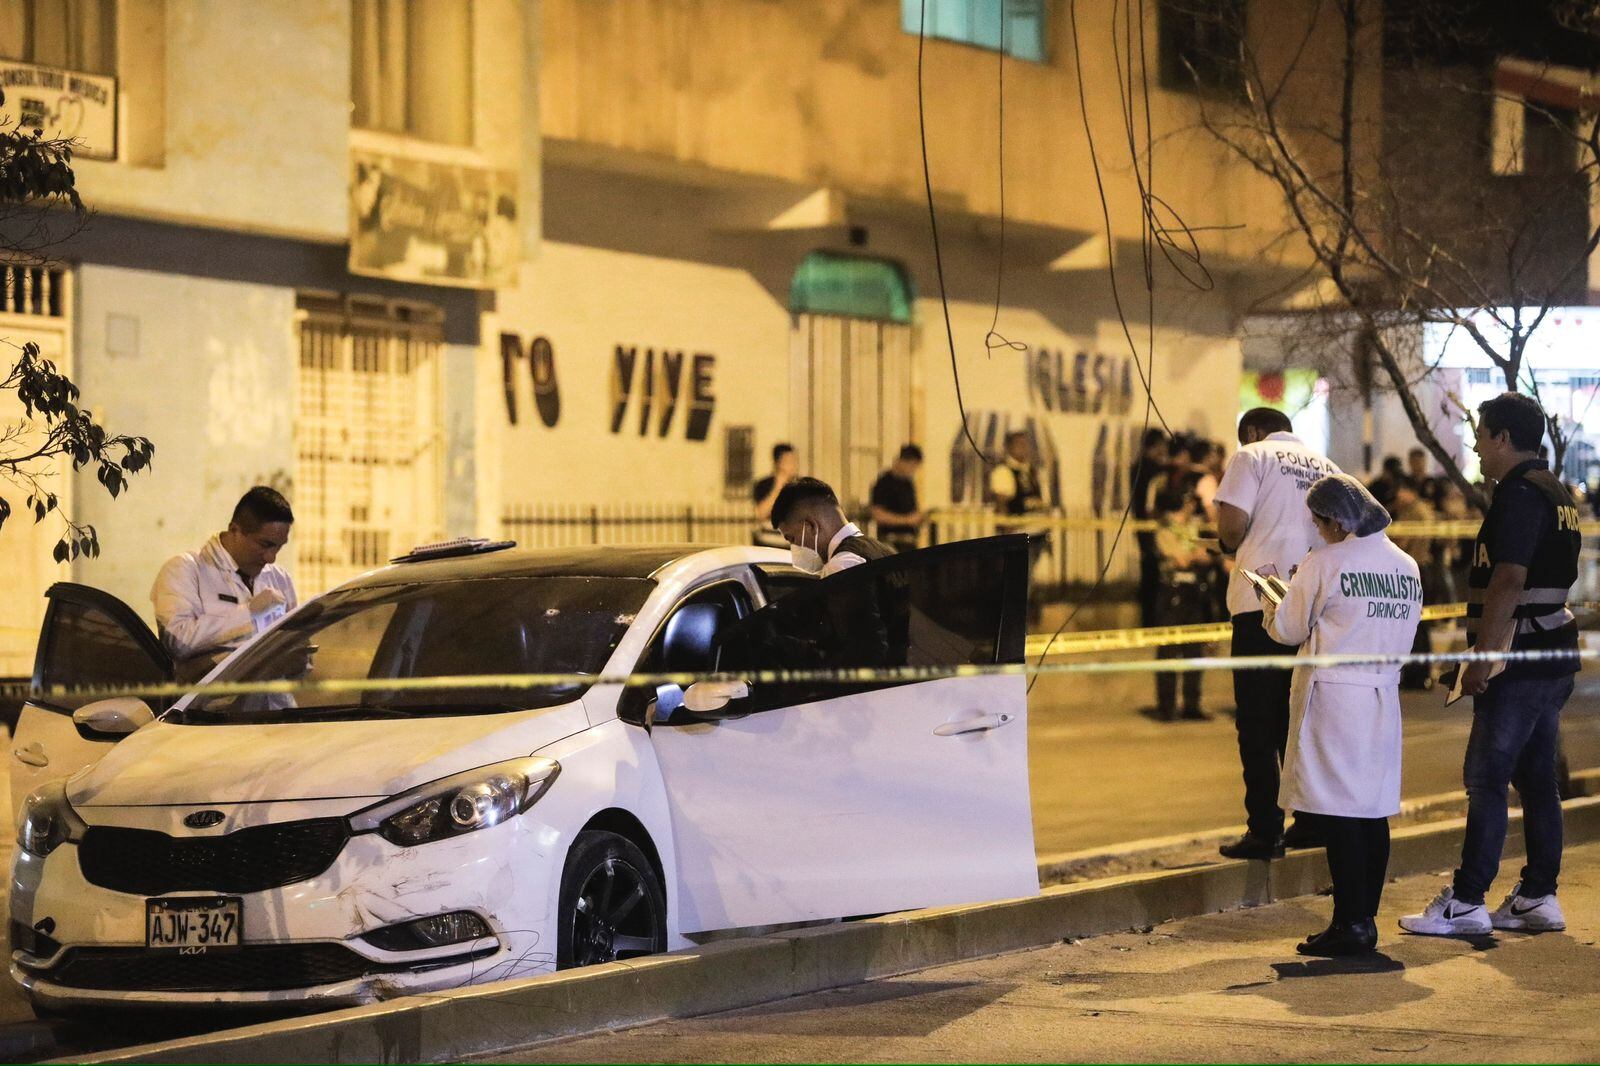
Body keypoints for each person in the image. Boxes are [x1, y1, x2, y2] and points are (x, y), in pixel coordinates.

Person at [1401, 392, 1582, 937]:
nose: (1477, 447)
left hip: (1518, 660)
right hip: (1550, 654)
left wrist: (1483, 657)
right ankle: (1536, 896)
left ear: (1504, 437)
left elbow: (1508, 579)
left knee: (1486, 778)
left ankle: (1466, 901)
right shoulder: (1555, 491)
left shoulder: (1520, 495)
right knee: (1538, 780)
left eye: (1481, 436)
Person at [1262, 474, 1421, 955]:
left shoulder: (1325, 562)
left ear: (1336, 521)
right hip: (1382, 695)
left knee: (1339, 813)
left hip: (1334, 697)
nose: (1317, 530)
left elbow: (1289, 629)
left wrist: (1271, 602)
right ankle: (1364, 916)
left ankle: (1350, 922)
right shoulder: (1406, 565)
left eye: (1319, 521)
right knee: (1371, 809)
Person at [1213, 407, 1341, 859]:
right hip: (1313, 606)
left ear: (1252, 430)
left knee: (1257, 722)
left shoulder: (1251, 456)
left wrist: (1226, 542)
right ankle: (1312, 821)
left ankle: (1266, 830)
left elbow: (1231, 529)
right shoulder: (1328, 467)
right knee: (1299, 718)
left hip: (1261, 605)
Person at [152, 486, 298, 682]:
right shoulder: (185, 569)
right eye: (265, 545)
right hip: (213, 700)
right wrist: (249, 614)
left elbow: (298, 664)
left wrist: (299, 658)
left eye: (279, 547)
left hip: (275, 699)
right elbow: (178, 642)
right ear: (234, 530)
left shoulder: (280, 578)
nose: (271, 557)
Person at [1152, 487, 1214, 722]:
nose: (1193, 506)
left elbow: (1205, 556)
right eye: (1189, 502)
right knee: (1168, 651)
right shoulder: (1165, 529)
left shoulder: (1193, 528)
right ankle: (1167, 705)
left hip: (1194, 593)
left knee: (1194, 651)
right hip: (1172, 594)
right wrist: (1193, 554)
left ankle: (1192, 704)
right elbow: (1180, 559)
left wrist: (1194, 555)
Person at [770, 476, 893, 577]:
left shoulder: (841, 564)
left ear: (811, 526)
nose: (793, 548)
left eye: (792, 539)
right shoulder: (884, 550)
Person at [1131, 429, 1172, 628]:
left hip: (1142, 527)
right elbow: (1150, 506)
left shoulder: (1136, 467)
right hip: (1152, 530)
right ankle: (1150, 622)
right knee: (1152, 574)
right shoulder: (1153, 470)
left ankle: (1147, 619)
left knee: (1148, 570)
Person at [869, 444, 925, 553]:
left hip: (909, 542)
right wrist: (907, 520)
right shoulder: (884, 483)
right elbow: (878, 514)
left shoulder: (908, 483)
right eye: (913, 466)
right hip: (891, 542)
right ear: (904, 461)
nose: (913, 470)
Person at [753, 443, 799, 548]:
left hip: (790, 548)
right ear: (778, 463)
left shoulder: (800, 486)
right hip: (767, 546)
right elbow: (761, 514)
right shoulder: (763, 485)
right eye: (789, 461)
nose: (794, 465)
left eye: (795, 461)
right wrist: (778, 485)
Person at [989, 431, 1045, 518]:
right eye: (1019, 444)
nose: (1024, 448)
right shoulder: (1003, 471)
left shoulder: (1031, 471)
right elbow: (1001, 507)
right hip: (1016, 524)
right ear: (1009, 447)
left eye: (1026, 444)